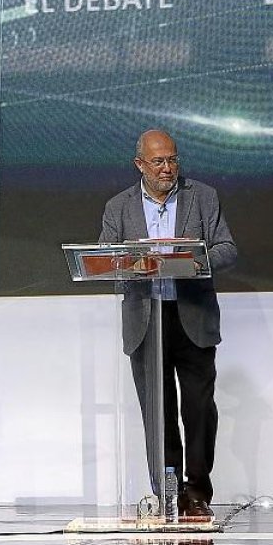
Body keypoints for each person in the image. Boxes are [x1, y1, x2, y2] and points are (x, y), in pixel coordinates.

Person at [99, 129, 236, 518]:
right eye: (158, 161)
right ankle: (168, 492)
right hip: (146, 321)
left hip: (192, 316)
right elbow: (106, 259)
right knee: (157, 415)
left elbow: (227, 249)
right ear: (139, 164)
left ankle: (197, 492)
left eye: (172, 159)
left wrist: (194, 258)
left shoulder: (203, 196)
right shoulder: (118, 207)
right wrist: (134, 263)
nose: (167, 168)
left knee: (198, 410)